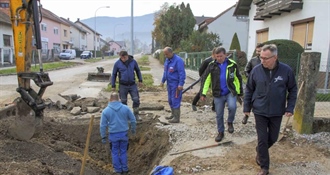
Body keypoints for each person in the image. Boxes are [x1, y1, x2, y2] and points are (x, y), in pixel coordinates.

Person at [243, 44, 297, 175]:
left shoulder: (286, 71)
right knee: (262, 138)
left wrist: (290, 107)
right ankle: (264, 168)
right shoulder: (256, 70)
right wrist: (247, 107)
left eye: (266, 58)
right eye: (261, 57)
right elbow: (249, 89)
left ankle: (260, 151)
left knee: (272, 138)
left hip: (277, 110)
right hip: (260, 110)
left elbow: (293, 89)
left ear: (275, 57)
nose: (262, 61)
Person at [200, 47, 243, 142]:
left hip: (230, 92)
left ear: (225, 55)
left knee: (232, 107)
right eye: (217, 56)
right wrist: (203, 93)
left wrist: (240, 92)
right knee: (219, 114)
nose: (219, 58)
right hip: (217, 93)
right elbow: (206, 80)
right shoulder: (211, 65)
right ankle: (220, 132)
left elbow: (238, 78)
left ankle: (230, 122)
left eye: (221, 56)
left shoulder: (232, 64)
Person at [100, 92, 136, 175]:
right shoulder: (125, 108)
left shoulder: (106, 111)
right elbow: (133, 120)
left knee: (115, 152)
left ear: (110, 99)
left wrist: (103, 136)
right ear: (118, 99)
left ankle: (118, 170)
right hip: (124, 134)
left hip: (113, 135)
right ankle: (125, 169)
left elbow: (103, 125)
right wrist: (133, 130)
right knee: (123, 151)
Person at [111, 50, 143, 121]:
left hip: (132, 85)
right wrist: (113, 85)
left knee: (136, 99)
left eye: (124, 58)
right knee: (123, 101)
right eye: (121, 58)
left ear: (127, 56)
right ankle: (125, 116)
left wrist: (140, 80)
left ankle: (136, 114)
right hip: (123, 85)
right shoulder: (117, 64)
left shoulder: (133, 62)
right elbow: (114, 74)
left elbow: (138, 70)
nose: (123, 59)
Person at [160, 47, 186, 123]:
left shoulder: (178, 61)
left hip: (176, 84)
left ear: (171, 53)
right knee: (170, 100)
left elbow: (182, 73)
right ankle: (173, 114)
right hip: (169, 84)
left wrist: (181, 84)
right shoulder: (167, 60)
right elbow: (165, 72)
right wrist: (162, 81)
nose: (165, 56)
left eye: (166, 54)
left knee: (175, 100)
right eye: (165, 54)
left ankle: (176, 117)